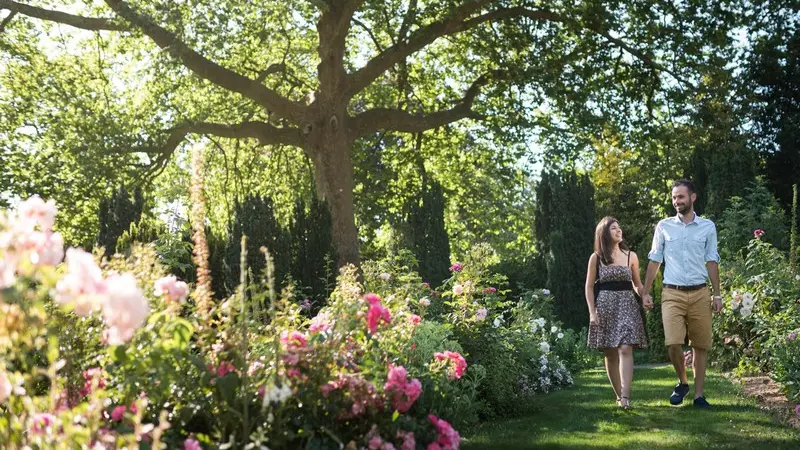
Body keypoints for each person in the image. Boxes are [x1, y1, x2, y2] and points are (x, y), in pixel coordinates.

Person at [642, 179, 722, 408]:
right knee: (673, 343)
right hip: (672, 293)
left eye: (681, 197)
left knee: (700, 345)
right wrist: (645, 292)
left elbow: (712, 260)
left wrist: (717, 295)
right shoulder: (664, 227)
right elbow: (655, 259)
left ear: (692, 197)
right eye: (674, 197)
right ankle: (682, 381)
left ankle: (698, 395)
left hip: (700, 293)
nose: (677, 201)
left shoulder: (708, 227)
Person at [585, 216, 650, 409]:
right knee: (611, 353)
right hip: (605, 306)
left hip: (627, 305)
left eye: (619, 227)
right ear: (604, 233)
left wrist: (643, 295)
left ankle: (626, 396)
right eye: (613, 228)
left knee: (625, 348)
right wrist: (592, 313)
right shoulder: (596, 258)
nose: (619, 230)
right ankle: (618, 395)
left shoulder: (631, 256)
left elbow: (636, 284)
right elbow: (588, 287)